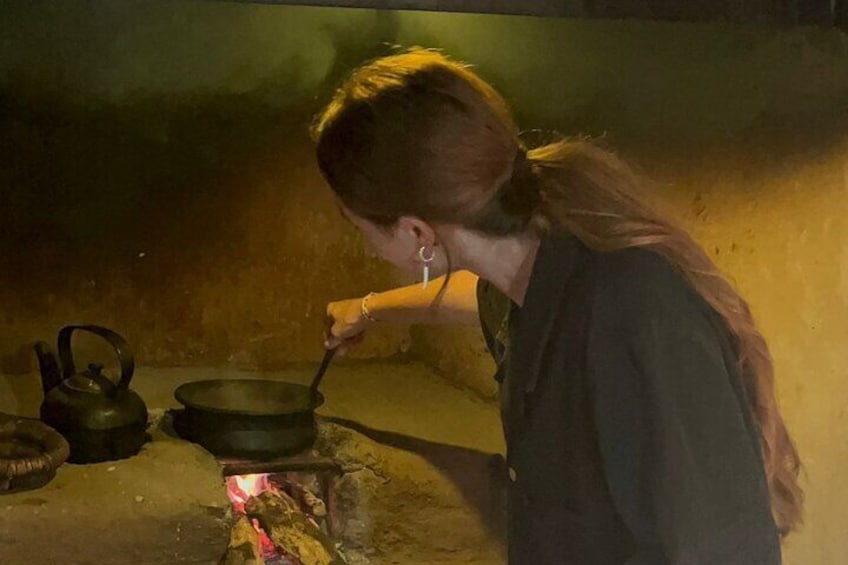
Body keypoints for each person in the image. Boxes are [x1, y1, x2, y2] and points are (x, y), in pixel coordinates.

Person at [312, 48, 802, 564]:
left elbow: (720, 551)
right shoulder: (539, 266)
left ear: (417, 232)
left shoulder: (634, 319)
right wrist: (368, 309)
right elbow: (477, 296)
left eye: (357, 224)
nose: (363, 243)